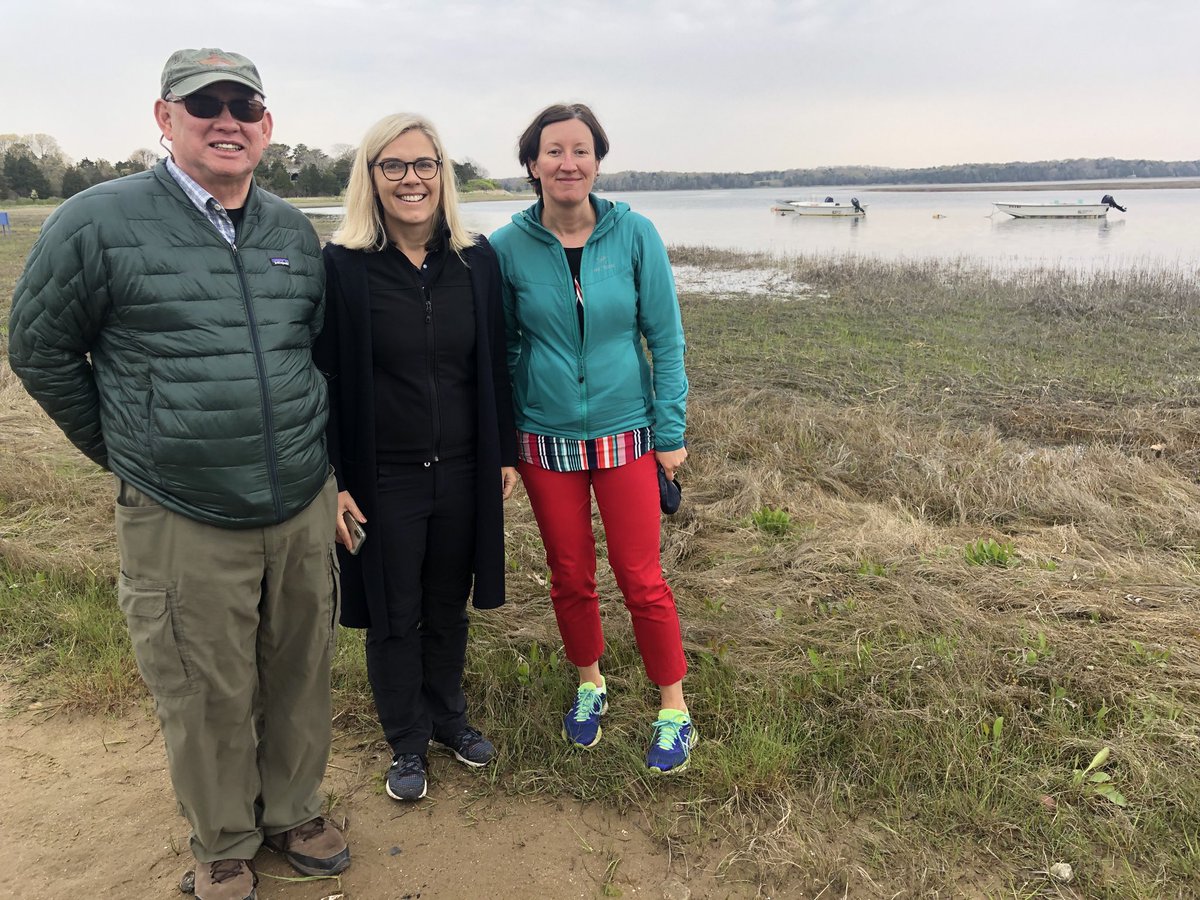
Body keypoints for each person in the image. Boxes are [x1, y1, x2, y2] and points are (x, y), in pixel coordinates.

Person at [8, 48, 349, 900]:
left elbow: (312, 353)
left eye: (244, 106)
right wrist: (129, 449)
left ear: (267, 128)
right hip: (180, 511)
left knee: (301, 664)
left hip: (298, 497)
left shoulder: (291, 232)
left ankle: (295, 810)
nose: (226, 120)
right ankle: (224, 838)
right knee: (203, 686)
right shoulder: (97, 221)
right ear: (165, 118)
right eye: (206, 105)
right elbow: (40, 349)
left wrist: (325, 468)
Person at [315, 113, 517, 802]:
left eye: (424, 165)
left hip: (463, 469)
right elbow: (324, 380)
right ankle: (405, 739)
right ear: (370, 177)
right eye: (393, 166)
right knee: (394, 611)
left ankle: (449, 718)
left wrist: (505, 453)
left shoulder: (476, 262)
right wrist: (333, 480)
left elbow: (495, 365)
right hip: (384, 477)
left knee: (447, 605)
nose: (411, 179)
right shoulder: (342, 269)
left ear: (443, 175)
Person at [490, 103, 696, 774]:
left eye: (580, 150)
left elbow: (664, 338)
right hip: (544, 442)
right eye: (554, 151)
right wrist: (505, 443)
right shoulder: (506, 247)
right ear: (532, 165)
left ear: (597, 161)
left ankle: (674, 709)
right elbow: (499, 350)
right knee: (570, 576)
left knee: (641, 577)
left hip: (627, 436)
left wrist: (669, 432)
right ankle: (590, 684)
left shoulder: (636, 235)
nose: (567, 162)